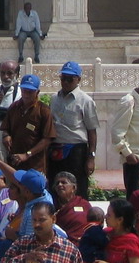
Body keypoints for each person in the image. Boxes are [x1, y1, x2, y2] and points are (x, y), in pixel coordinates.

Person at [48, 62, 98, 199]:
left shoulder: (86, 101)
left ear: (78, 80)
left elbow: (92, 130)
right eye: (63, 78)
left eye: (70, 79)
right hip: (55, 149)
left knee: (78, 189)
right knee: (55, 188)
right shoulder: (54, 99)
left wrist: (91, 157)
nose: (66, 82)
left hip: (76, 151)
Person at [0, 74, 55, 173]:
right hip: (15, 162)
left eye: (30, 91)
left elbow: (47, 139)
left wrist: (27, 154)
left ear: (37, 92)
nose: (26, 94)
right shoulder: (14, 107)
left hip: (35, 165)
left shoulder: (43, 110)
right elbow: (5, 128)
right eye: (24, 90)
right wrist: (6, 136)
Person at [0, 203, 82, 263]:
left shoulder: (69, 250)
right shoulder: (21, 244)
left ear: (53, 219)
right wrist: (24, 259)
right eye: (34, 220)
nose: (36, 224)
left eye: (41, 220)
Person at [0, 61, 20, 158]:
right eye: (2, 73)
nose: (5, 76)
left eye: (10, 73)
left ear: (17, 74)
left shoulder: (21, 93)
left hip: (11, 139)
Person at [52, 172, 91, 244]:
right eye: (57, 183)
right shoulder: (52, 205)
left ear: (74, 187)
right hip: (60, 245)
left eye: (64, 182)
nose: (60, 185)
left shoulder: (84, 204)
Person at [103, 198, 139, 263]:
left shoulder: (131, 241)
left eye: (109, 215)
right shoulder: (105, 233)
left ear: (120, 220)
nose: (105, 217)